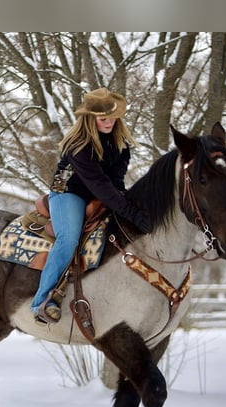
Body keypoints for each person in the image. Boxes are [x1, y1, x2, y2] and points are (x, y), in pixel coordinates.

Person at [31, 87, 153, 324]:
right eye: (102, 118)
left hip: (99, 195)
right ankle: (42, 301)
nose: (108, 122)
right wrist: (132, 213)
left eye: (112, 117)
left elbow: (115, 184)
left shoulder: (121, 144)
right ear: (90, 118)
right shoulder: (79, 145)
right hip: (70, 193)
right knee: (69, 239)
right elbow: (100, 185)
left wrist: (135, 209)